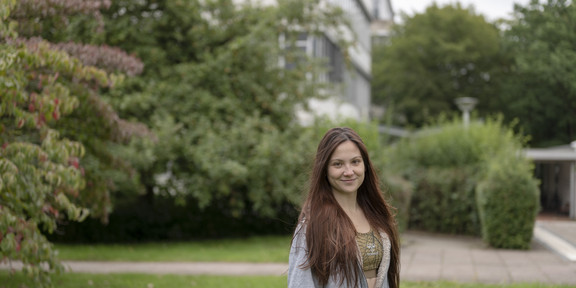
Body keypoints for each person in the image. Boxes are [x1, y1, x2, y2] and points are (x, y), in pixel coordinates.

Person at [288, 127, 400, 288]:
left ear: (365, 166)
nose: (349, 172)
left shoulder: (376, 216)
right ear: (325, 170)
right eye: (338, 164)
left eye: (355, 162)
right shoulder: (313, 226)